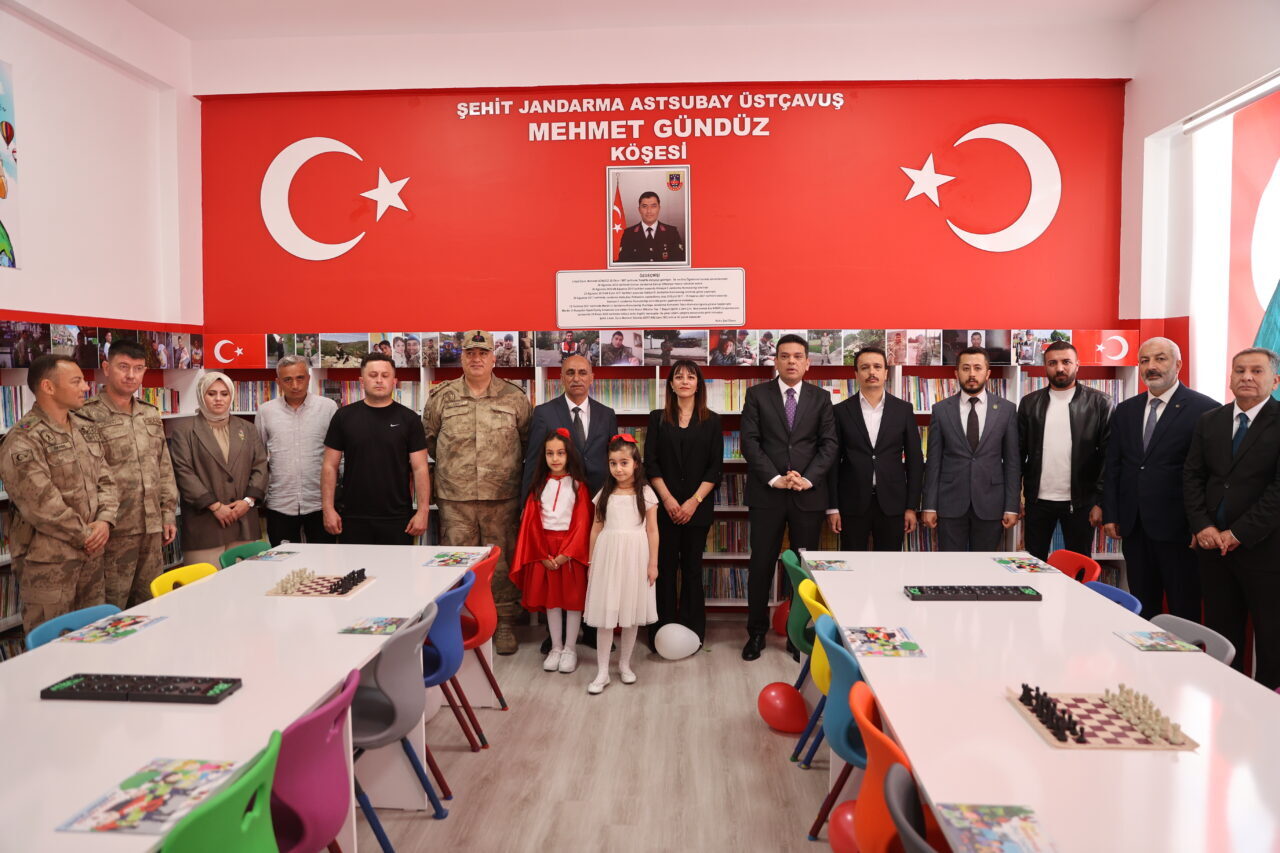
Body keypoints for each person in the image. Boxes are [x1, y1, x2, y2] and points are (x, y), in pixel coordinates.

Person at [422, 330, 531, 653]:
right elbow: (430, 441)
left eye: (483, 353)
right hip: (456, 497)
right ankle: (456, 622)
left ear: (494, 358)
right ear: (462, 357)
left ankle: (504, 623)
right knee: (456, 562)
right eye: (471, 353)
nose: (477, 359)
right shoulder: (442, 396)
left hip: (502, 496)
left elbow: (527, 442)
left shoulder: (514, 397)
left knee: (500, 562)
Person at [1184, 348, 1280, 688]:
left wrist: (1238, 533)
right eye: (1239, 370)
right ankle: (1225, 696)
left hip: (1264, 550)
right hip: (1213, 548)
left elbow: (1277, 492)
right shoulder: (1211, 420)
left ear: (1275, 380)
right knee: (1222, 632)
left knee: (1271, 638)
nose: (1247, 377)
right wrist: (1202, 525)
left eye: (1256, 371)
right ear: (1230, 378)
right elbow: (1192, 476)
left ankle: (1266, 705)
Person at [0, 355, 117, 632]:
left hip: (92, 557)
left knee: (95, 635)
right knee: (53, 644)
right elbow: (41, 504)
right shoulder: (23, 438)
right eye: (76, 381)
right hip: (49, 564)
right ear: (48, 387)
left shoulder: (84, 427)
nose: (86, 387)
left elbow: (106, 479)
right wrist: (86, 535)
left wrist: (105, 520)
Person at [1102, 337, 1217, 619]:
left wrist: (1200, 524)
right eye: (1144, 360)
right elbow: (1114, 465)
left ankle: (1184, 651)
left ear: (1178, 364)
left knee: (1183, 607)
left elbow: (1209, 474)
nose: (1151, 366)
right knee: (1142, 605)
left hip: (1180, 529)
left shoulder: (1205, 410)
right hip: (1134, 526)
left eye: (1160, 359)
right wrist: (1111, 513)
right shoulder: (1126, 410)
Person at [740, 333, 837, 660]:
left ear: (807, 363)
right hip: (767, 494)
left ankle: (797, 635)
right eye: (785, 356)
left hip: (807, 495)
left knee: (803, 571)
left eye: (797, 356)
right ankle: (756, 634)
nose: (791, 361)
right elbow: (750, 442)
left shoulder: (821, 398)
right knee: (761, 565)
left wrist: (806, 479)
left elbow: (829, 444)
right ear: (776, 361)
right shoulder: (757, 395)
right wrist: (775, 478)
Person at [525, 354, 618, 653]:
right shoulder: (544, 413)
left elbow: (614, 460)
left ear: (592, 377)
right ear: (560, 378)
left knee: (594, 565)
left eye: (582, 372)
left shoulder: (606, 414)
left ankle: (591, 629)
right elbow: (534, 462)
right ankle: (558, 635)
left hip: (598, 505)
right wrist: (526, 506)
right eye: (570, 373)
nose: (576, 378)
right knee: (560, 569)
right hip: (559, 508)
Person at [75, 340, 178, 608]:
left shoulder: (149, 412)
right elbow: (85, 475)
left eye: (138, 368)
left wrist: (168, 512)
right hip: (112, 530)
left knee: (151, 604)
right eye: (123, 367)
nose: (131, 375)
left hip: (151, 527)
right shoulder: (85, 415)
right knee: (111, 607)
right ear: (106, 368)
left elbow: (163, 467)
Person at [644, 360, 722, 644]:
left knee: (692, 570)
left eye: (691, 377)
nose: (685, 381)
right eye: (679, 377)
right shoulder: (657, 418)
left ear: (698, 384)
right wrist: (667, 500)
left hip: (697, 510)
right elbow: (651, 463)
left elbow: (715, 468)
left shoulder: (712, 420)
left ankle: (692, 632)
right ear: (671, 385)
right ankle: (660, 632)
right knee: (663, 569)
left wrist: (693, 502)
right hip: (663, 509)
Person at [1017, 341, 1113, 561]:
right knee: (1034, 564)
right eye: (1053, 363)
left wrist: (1100, 502)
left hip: (1081, 503)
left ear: (1077, 365)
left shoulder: (1100, 403)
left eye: (1066, 362)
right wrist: (1015, 498)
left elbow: (1109, 458)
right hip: (1037, 502)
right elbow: (1018, 454)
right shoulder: (1029, 403)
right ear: (1045, 366)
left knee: (1078, 565)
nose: (1059, 368)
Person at [323, 353, 431, 545]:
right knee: (353, 565)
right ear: (361, 381)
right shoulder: (343, 417)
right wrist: (328, 509)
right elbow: (329, 466)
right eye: (373, 375)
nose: (379, 380)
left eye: (385, 375)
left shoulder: (410, 419)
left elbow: (420, 468)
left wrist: (423, 512)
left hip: (398, 517)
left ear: (394, 381)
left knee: (398, 565)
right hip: (352, 516)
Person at [921, 347, 1020, 551]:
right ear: (956, 373)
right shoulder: (941, 410)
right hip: (950, 503)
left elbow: (1012, 463)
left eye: (977, 368)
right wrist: (929, 505)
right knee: (950, 564)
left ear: (988, 373)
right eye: (966, 368)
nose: (972, 374)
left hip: (991, 503)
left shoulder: (1006, 410)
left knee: (985, 564)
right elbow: (933, 462)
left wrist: (1012, 506)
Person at [511, 428, 592, 674]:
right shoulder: (538, 487)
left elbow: (582, 523)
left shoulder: (579, 486)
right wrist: (542, 554)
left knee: (573, 602)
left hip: (570, 553)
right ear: (543, 456)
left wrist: (566, 554)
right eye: (550, 453)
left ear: (569, 455)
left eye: (560, 453)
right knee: (552, 602)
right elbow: (531, 525)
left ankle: (570, 649)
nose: (555, 458)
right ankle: (556, 647)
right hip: (544, 551)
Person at [827, 346, 923, 551]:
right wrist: (832, 507)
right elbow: (832, 462)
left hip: (893, 503)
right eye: (865, 367)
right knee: (852, 563)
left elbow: (915, 461)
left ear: (886, 373)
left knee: (889, 563)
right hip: (851, 503)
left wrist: (911, 507)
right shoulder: (840, 411)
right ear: (856, 374)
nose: (872, 372)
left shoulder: (903, 410)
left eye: (877, 367)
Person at [583, 435, 659, 693]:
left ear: (636, 463)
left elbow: (652, 531)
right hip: (608, 556)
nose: (618, 468)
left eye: (624, 462)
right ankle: (602, 671)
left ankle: (625, 664)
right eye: (613, 463)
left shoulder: (646, 493)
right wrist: (591, 561)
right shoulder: (605, 493)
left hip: (635, 557)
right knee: (606, 615)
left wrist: (653, 564)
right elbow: (596, 528)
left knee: (630, 614)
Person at [168, 372, 269, 566]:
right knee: (206, 582)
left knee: (244, 579)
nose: (218, 399)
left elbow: (260, 465)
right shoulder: (184, 430)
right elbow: (183, 472)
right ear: (201, 395)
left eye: (224, 393)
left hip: (243, 518)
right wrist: (215, 506)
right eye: (211, 393)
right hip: (205, 523)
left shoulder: (247, 428)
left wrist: (248, 502)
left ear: (232, 396)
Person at [256, 354, 337, 546]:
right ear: (278, 382)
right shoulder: (265, 411)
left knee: (324, 560)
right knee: (283, 561)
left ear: (308, 377)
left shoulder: (328, 408)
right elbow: (258, 457)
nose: (295, 385)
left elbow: (338, 456)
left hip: (320, 503)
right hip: (280, 503)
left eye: (300, 378)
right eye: (287, 379)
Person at [616, 191, 685, 263]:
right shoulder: (629, 234)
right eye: (644, 206)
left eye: (653, 206)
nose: (649, 211)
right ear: (639, 209)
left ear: (659, 208)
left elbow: (678, 261)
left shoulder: (671, 232)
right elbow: (623, 263)